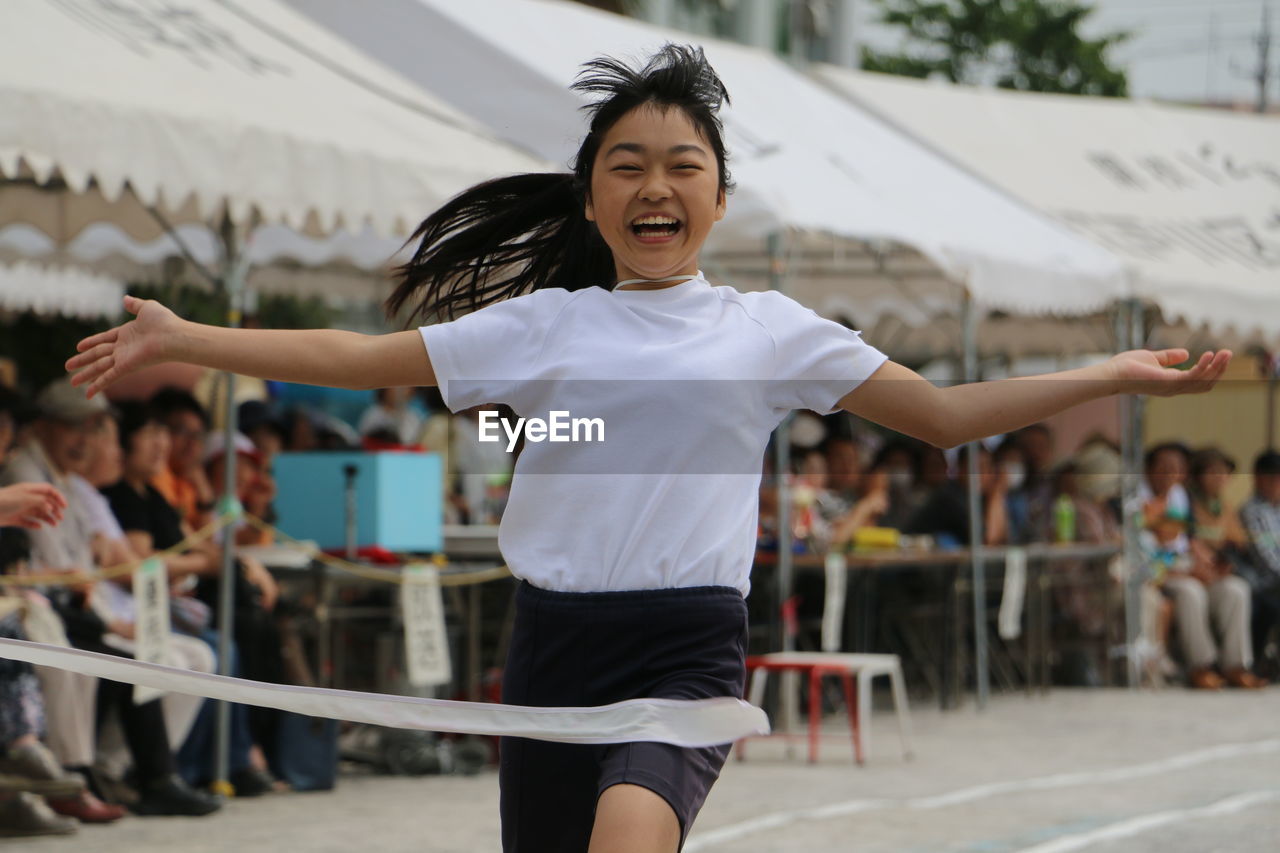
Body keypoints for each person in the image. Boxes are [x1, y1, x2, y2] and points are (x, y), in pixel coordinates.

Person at [65, 45, 1232, 853]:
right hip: (551, 639)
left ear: (719, 198)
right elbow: (358, 355)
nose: (655, 184)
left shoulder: (768, 328)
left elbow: (941, 414)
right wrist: (187, 335)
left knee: (629, 834)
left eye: (681, 166)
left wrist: (1110, 373)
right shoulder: (542, 327)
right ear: (589, 199)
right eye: (625, 165)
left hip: (682, 644)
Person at [1238, 450, 1280, 679]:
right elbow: (1267, 560)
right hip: (1266, 584)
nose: (1277, 483)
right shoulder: (1251, 511)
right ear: (1257, 478)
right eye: (1272, 477)